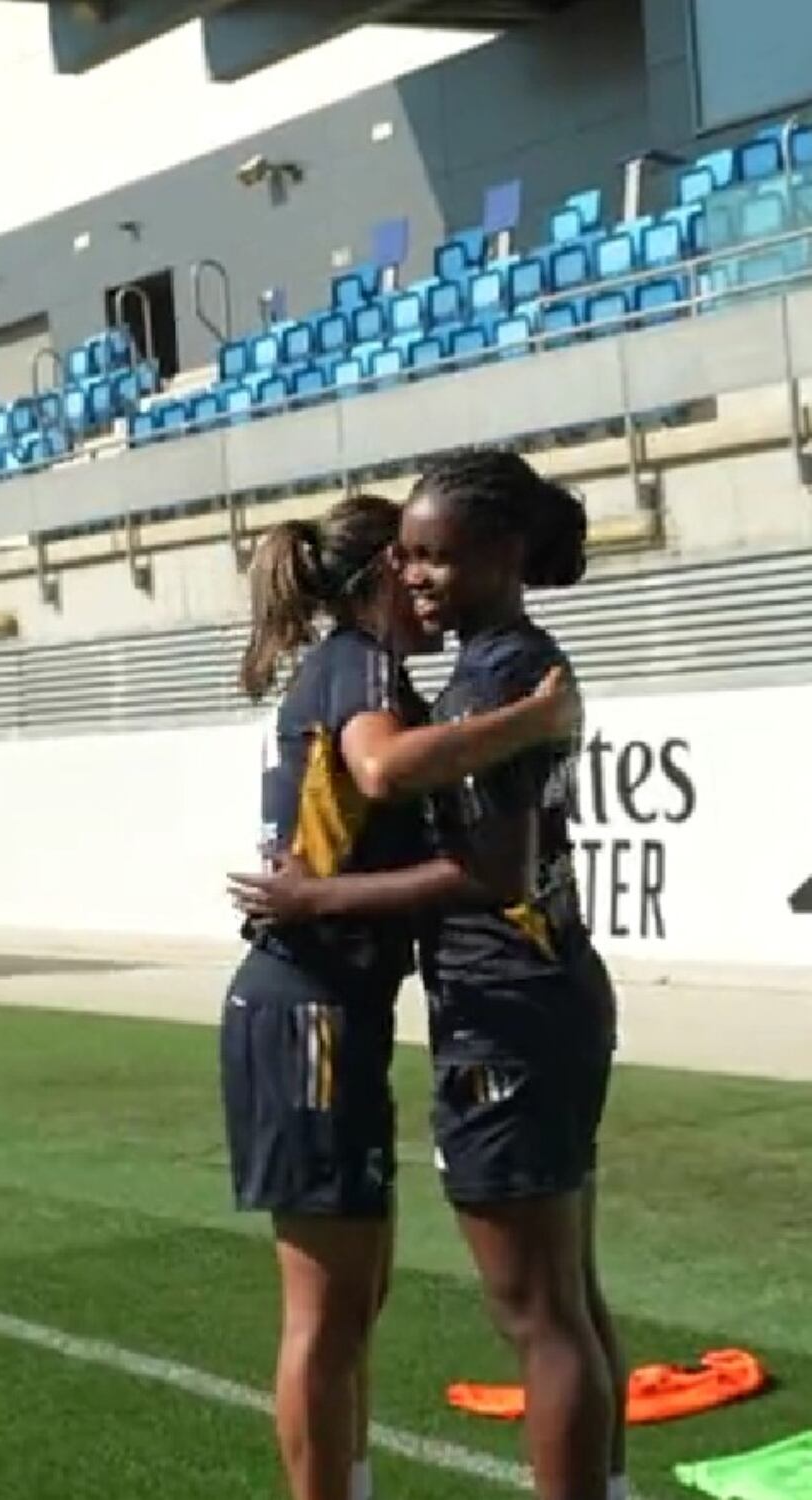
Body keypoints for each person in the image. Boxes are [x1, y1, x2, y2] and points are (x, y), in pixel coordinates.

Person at [236, 451, 625, 1500]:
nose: (415, 577)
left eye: (433, 558)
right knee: (554, 1302)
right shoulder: (460, 669)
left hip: (505, 1001)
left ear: (500, 556)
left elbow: (475, 856)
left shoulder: (485, 674)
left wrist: (313, 896)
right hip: (511, 995)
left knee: (536, 1312)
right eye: (403, 557)